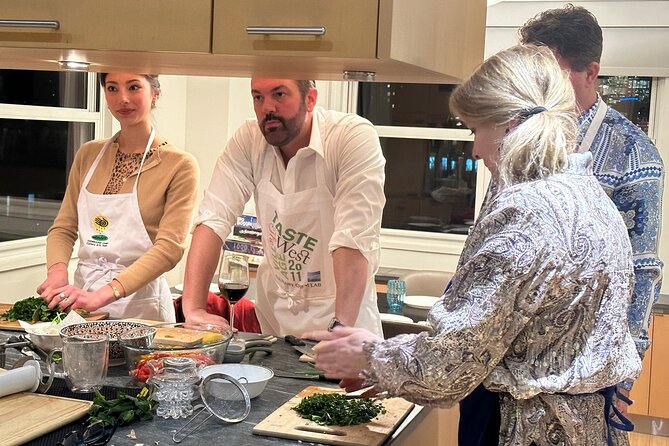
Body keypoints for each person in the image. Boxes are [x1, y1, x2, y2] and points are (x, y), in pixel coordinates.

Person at [303, 44, 642, 446]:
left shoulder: (525, 214)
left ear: (510, 125)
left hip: (528, 432)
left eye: (475, 130)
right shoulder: (588, 193)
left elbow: (452, 365)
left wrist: (370, 356)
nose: (476, 150)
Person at [458, 7, 666, 443]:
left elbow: (640, 270)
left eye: (550, 71)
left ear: (591, 73)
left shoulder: (632, 152)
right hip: (494, 368)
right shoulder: (516, 135)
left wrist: (624, 372)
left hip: (566, 384)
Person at [181, 79, 385, 337]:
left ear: (310, 99)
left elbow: (353, 236)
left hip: (345, 322)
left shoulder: (349, 137)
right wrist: (194, 307)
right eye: (258, 97)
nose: (267, 108)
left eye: (279, 94)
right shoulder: (249, 140)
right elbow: (213, 217)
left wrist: (341, 329)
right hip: (275, 324)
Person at [37, 73, 199, 322]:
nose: (122, 98)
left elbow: (169, 249)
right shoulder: (88, 154)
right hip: (82, 302)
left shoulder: (180, 165)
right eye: (112, 88)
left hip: (141, 307)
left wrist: (103, 295)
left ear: (155, 94)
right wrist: (57, 272)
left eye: (133, 87)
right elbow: (64, 227)